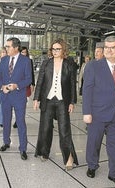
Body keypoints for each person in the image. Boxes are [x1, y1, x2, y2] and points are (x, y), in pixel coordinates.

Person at [83, 35, 115, 188]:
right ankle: (92, 165)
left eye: (113, 47)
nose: (109, 50)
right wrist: (87, 112)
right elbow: (87, 90)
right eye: (106, 47)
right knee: (94, 143)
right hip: (97, 114)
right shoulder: (93, 66)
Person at [33, 38, 79, 170]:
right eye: (53, 49)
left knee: (64, 131)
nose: (55, 51)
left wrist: (72, 102)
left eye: (58, 49)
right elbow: (40, 82)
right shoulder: (46, 63)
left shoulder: (69, 64)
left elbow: (72, 85)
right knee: (45, 128)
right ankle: (44, 152)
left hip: (62, 102)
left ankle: (69, 157)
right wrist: (36, 99)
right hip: (47, 100)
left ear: (63, 50)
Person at [0, 37, 32, 160]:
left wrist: (17, 85)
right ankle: (6, 142)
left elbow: (29, 79)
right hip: (5, 96)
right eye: (6, 46)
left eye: (8, 47)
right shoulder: (4, 59)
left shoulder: (26, 61)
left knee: (20, 122)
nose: (6, 48)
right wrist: (2, 86)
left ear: (16, 48)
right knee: (6, 120)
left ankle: (23, 148)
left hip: (19, 96)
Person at [12, 46, 35, 128]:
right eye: (22, 52)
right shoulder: (15, 61)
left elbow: (32, 73)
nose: (24, 54)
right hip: (17, 85)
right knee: (16, 103)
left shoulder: (29, 61)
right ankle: (17, 120)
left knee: (23, 103)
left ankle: (20, 120)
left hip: (26, 85)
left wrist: (33, 84)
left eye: (25, 52)